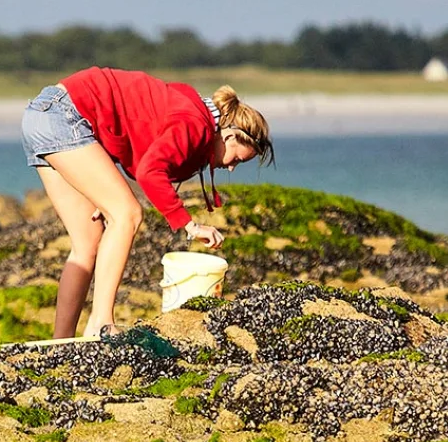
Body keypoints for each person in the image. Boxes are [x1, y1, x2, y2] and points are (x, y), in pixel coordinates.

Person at [21, 65, 274, 339]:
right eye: (236, 158)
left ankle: (62, 340)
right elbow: (149, 172)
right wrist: (190, 226)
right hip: (66, 114)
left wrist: (97, 186)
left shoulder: (189, 111)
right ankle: (101, 323)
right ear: (228, 135)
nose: (233, 168)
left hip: (42, 115)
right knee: (127, 214)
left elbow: (126, 126)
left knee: (87, 241)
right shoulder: (194, 125)